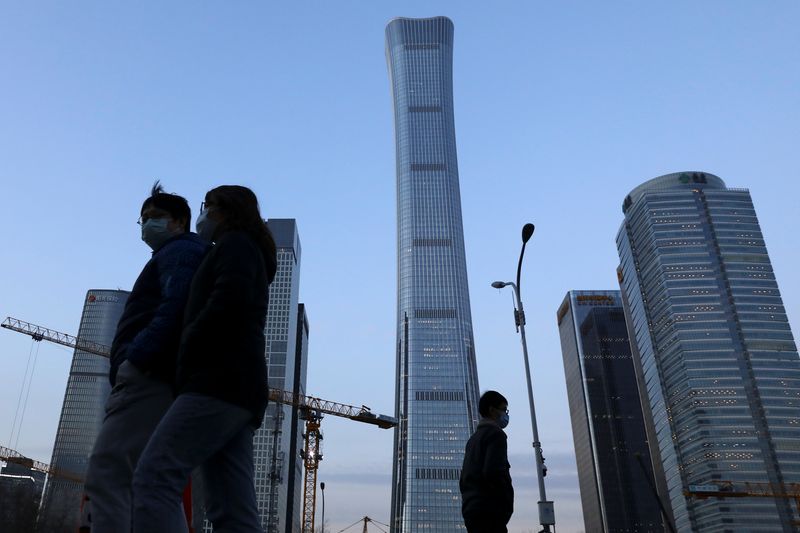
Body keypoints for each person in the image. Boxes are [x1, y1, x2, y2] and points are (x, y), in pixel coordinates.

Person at [132, 185, 277, 533]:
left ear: (226, 211)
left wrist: (191, 340)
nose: (203, 214)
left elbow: (228, 302)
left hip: (215, 382)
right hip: (239, 391)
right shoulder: (247, 248)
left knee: (154, 477)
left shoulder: (235, 245)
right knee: (231, 509)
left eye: (208, 206)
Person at [84, 183, 208, 532]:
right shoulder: (184, 251)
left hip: (149, 374)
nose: (146, 225)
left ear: (180, 221)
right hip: (166, 376)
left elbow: (175, 304)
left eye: (156, 217)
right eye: (142, 219)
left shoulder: (179, 250)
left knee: (108, 472)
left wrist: (136, 358)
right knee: (153, 485)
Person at [460, 390, 514, 533]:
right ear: (492, 410)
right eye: (503, 410)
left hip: (471, 509)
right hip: (489, 510)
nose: (506, 415)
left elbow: (464, 478)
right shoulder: (496, 435)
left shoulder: (473, 439)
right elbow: (493, 471)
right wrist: (505, 501)